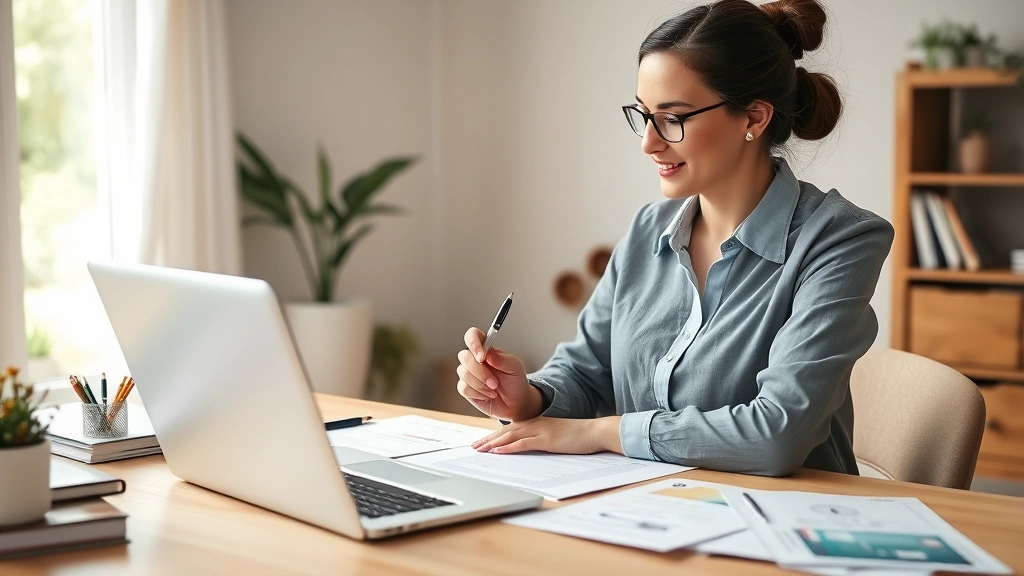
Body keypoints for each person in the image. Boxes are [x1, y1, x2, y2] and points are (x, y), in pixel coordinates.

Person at [455, 0, 893, 477]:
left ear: (753, 118)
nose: (648, 142)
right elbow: (586, 373)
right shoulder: (648, 230)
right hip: (653, 512)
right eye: (643, 115)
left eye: (673, 118)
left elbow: (778, 435)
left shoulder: (839, 240)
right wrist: (526, 396)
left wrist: (600, 432)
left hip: (788, 525)